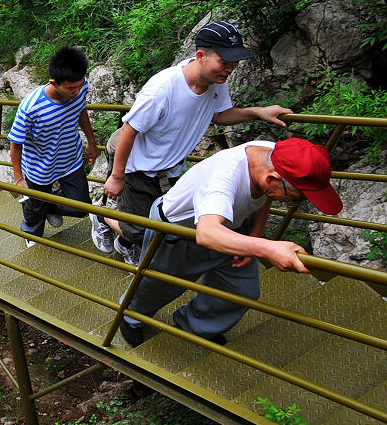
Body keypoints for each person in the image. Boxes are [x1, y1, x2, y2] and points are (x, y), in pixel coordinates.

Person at [92, 21, 292, 265]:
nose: (230, 69)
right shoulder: (162, 89)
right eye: (225, 61)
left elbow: (219, 116)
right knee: (142, 231)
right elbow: (129, 130)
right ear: (200, 56)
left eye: (234, 62)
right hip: (138, 163)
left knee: (168, 223)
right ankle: (102, 217)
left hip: (170, 166)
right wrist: (117, 176)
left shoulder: (216, 83)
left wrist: (258, 112)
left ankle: (125, 241)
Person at [118, 138, 342, 347]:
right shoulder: (224, 178)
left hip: (233, 225)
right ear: (272, 178)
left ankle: (195, 324)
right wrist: (266, 248)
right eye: (294, 198)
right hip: (178, 232)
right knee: (160, 286)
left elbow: (266, 194)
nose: (290, 203)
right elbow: (207, 233)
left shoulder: (276, 156)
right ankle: (132, 316)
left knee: (241, 291)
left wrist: (255, 235)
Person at [9, 47, 98, 248]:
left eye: (79, 85)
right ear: (53, 83)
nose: (76, 92)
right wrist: (19, 178)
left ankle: (48, 205)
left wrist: (91, 143)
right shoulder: (31, 107)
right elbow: (15, 144)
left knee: (81, 207)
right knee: (34, 212)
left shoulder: (81, 88)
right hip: (39, 166)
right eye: (70, 89)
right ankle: (31, 233)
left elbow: (81, 111)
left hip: (70, 159)